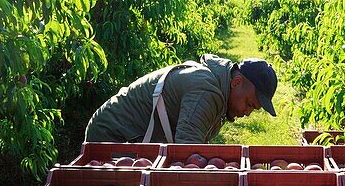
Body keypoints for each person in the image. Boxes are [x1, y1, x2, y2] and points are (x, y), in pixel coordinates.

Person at [85, 55, 277, 144]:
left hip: (127, 134)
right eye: (250, 104)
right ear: (236, 82)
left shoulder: (218, 86)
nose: (247, 112)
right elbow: (187, 152)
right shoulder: (206, 91)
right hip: (113, 135)